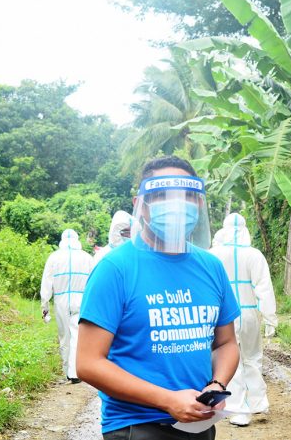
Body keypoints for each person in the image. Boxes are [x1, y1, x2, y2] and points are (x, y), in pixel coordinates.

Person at [77, 156, 241, 440]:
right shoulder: (115, 269)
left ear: (199, 203)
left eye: (187, 196)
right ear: (140, 204)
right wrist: (167, 400)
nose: (177, 205)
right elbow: (88, 362)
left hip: (198, 424)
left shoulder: (211, 266)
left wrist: (217, 383)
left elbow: (226, 342)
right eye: (163, 196)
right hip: (137, 427)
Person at [209, 213, 277, 427]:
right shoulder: (255, 255)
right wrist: (270, 318)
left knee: (230, 358)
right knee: (253, 358)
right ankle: (258, 403)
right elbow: (264, 288)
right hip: (249, 314)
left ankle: (239, 409)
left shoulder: (213, 255)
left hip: (223, 317)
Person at [40, 229, 94, 384]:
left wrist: (45, 307)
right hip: (82, 299)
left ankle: (68, 372)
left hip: (61, 300)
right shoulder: (87, 257)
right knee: (78, 335)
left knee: (64, 336)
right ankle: (76, 371)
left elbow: (46, 284)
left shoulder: (54, 257)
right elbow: (94, 282)